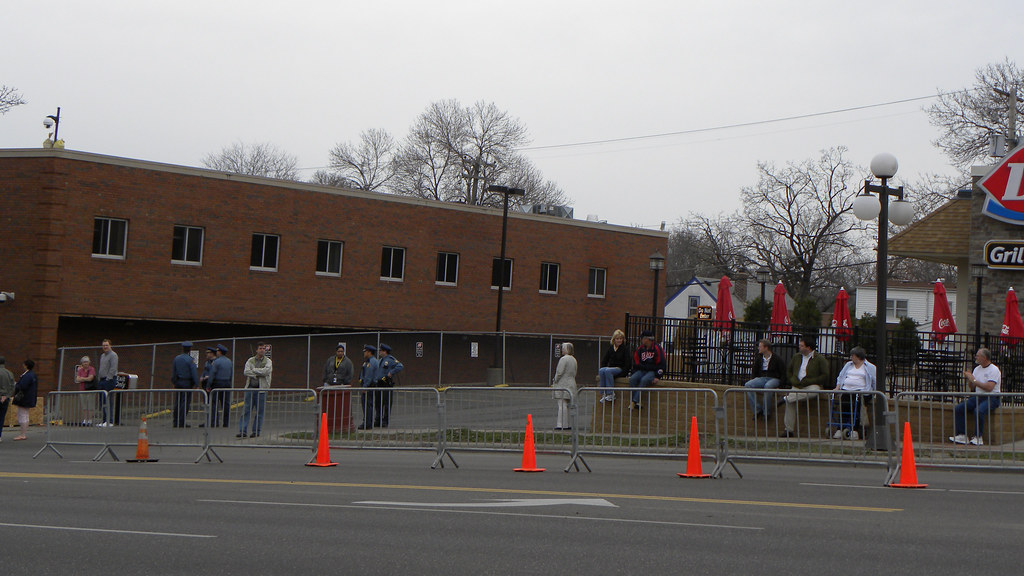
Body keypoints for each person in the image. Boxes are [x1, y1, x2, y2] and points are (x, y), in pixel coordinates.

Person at [779, 336, 830, 438]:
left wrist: (810, 381)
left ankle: (785, 398)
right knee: (791, 402)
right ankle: (788, 430)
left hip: (811, 385)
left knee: (814, 391)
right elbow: (789, 370)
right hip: (797, 385)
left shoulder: (819, 359)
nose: (799, 347)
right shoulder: (797, 357)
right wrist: (793, 380)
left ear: (808, 347)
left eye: (802, 346)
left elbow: (825, 375)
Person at [951, 348, 1001, 446]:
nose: (976, 357)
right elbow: (972, 387)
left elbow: (989, 387)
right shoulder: (977, 369)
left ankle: (978, 437)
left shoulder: (994, 370)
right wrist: (970, 379)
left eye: (977, 356)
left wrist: (974, 380)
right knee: (959, 408)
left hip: (992, 397)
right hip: (978, 396)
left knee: (978, 411)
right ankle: (962, 435)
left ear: (984, 357)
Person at [830, 346, 876, 440]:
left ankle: (854, 430)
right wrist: (838, 387)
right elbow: (841, 376)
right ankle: (840, 428)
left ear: (858, 356)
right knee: (843, 405)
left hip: (860, 391)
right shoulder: (848, 365)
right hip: (846, 389)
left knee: (856, 406)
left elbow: (874, 381)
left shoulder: (870, 367)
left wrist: (874, 392)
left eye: (853, 355)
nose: (851, 357)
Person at [743, 339, 785, 419]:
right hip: (763, 378)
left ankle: (766, 412)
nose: (758, 348)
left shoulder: (777, 358)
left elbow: (783, 372)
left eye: (760, 346)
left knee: (768, 386)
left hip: (774, 378)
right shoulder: (759, 358)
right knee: (748, 385)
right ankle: (757, 410)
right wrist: (754, 379)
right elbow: (755, 370)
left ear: (766, 348)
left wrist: (781, 385)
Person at [239, 342, 273, 438]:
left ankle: (256, 431)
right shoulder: (250, 360)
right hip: (250, 389)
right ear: (256, 350)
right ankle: (242, 431)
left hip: (262, 390)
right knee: (246, 410)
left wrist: (254, 370)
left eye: (263, 348)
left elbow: (266, 371)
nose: (262, 350)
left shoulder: (268, 361)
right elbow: (246, 372)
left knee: (259, 412)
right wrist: (258, 373)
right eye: (260, 348)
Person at [628, 331, 666, 410]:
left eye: (642, 338)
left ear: (647, 339)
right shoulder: (640, 349)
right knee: (632, 379)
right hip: (642, 370)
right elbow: (636, 360)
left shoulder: (657, 348)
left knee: (644, 380)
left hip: (653, 371)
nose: (641, 340)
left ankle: (634, 401)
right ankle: (637, 402)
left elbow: (662, 363)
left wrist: (658, 376)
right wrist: (635, 371)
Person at [171, 341, 199, 428]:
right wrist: (196, 384)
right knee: (185, 402)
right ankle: (181, 421)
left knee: (178, 402)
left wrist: (174, 382)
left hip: (178, 382)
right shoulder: (190, 360)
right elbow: (194, 373)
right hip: (187, 383)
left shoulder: (176, 359)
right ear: (190, 349)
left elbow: (174, 372)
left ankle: (175, 421)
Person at [375, 344, 404, 428]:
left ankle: (385, 421)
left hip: (386, 384)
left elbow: (400, 366)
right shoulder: (380, 360)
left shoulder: (390, 359)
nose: (379, 352)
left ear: (385, 351)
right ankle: (378, 420)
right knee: (378, 403)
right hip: (379, 383)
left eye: (381, 350)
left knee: (386, 403)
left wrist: (391, 372)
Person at [598, 329, 630, 403]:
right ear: (614, 339)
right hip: (611, 368)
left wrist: (624, 373)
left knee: (608, 371)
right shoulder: (611, 348)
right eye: (617, 339)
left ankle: (611, 393)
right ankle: (603, 393)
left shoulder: (625, 349)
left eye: (620, 339)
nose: (619, 340)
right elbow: (605, 360)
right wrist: (603, 366)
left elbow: (628, 363)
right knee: (602, 370)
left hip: (620, 368)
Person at [552, 342, 578, 430]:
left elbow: (559, 372)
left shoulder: (563, 359)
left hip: (563, 383)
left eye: (563, 348)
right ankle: (568, 424)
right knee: (567, 405)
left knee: (561, 404)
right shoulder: (574, 359)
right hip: (572, 383)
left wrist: (555, 380)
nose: (562, 350)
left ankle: (561, 424)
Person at [11, 359, 38, 441]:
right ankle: (23, 433)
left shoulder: (27, 376)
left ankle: (22, 434)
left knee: (22, 415)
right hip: (29, 397)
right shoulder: (33, 375)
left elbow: (22, 386)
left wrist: (16, 385)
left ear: (26, 365)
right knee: (25, 414)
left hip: (24, 398)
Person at [208, 344, 233, 428]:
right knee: (226, 404)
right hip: (227, 383)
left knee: (214, 403)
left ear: (220, 352)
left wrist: (209, 385)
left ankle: (214, 422)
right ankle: (226, 423)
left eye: (217, 351)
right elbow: (231, 374)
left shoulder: (216, 362)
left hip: (217, 383)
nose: (216, 352)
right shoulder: (229, 361)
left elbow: (212, 374)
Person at [96, 339, 119, 427]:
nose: (105, 347)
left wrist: (108, 378)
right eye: (104, 345)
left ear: (110, 346)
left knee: (108, 400)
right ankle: (104, 420)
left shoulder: (113, 355)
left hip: (109, 380)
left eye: (106, 345)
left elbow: (113, 368)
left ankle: (110, 421)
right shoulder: (102, 356)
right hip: (102, 380)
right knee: (102, 401)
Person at [357, 345, 380, 430]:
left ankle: (367, 423)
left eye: (365, 352)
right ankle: (367, 422)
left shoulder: (371, 362)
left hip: (369, 387)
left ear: (369, 352)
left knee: (367, 405)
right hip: (369, 386)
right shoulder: (369, 361)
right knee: (368, 405)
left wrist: (365, 386)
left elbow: (368, 376)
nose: (364, 353)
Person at [75, 355, 97, 426]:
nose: (85, 363)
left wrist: (82, 378)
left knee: (90, 405)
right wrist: (85, 378)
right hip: (82, 389)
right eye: (84, 362)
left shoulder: (92, 369)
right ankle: (85, 419)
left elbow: (90, 378)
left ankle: (90, 419)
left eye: (87, 362)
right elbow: (77, 379)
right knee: (84, 406)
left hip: (90, 390)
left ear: (89, 362)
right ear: (82, 363)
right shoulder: (80, 370)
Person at [0, 356, 14, 442]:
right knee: (1, 417)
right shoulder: (9, 373)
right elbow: (12, 386)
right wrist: (7, 396)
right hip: (5, 397)